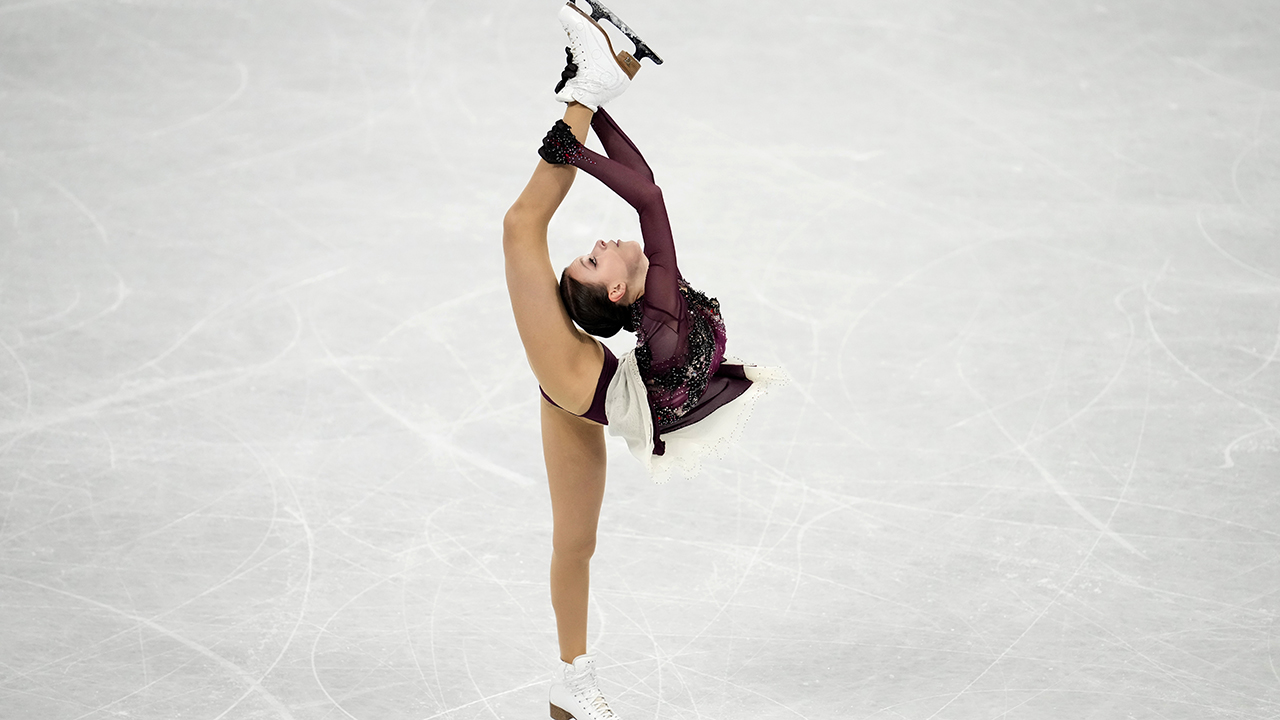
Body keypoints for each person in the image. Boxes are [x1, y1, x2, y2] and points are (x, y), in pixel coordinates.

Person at [501, 3, 784, 718]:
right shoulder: (653, 306)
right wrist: (583, 124)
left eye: (592, 253)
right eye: (594, 258)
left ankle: (571, 679)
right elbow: (648, 194)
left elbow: (647, 184)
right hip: (580, 383)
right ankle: (594, 77)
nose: (598, 240)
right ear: (620, 290)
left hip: (587, 389)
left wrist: (592, 123)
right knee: (519, 228)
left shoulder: (653, 312)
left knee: (577, 542)